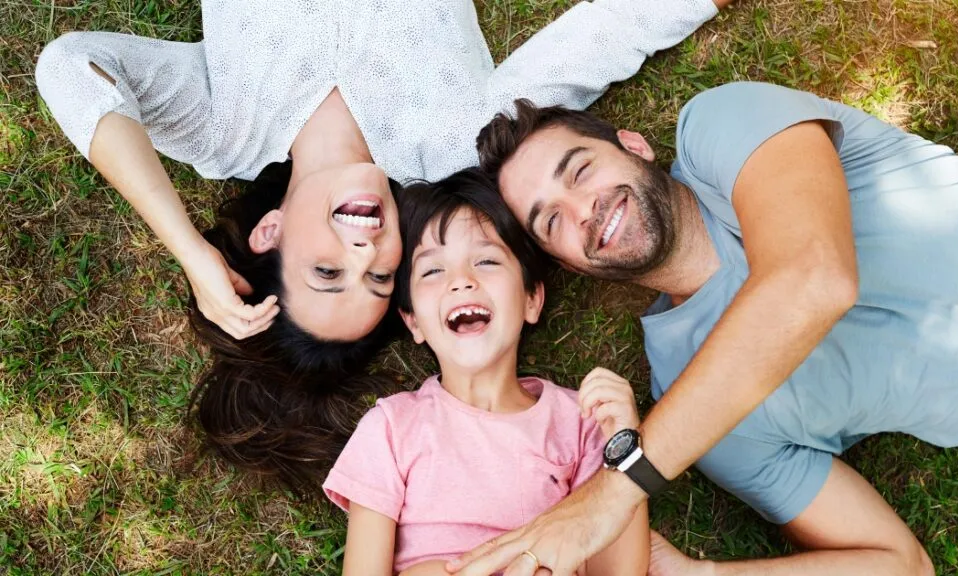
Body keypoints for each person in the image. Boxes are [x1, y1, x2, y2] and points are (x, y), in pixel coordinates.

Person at [34, 0, 728, 487]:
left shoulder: (221, 129)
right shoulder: (453, 142)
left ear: (271, 231)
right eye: (376, 279)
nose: (366, 252)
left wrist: (191, 250)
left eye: (327, 271)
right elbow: (608, 33)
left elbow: (72, 65)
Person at [450, 82, 958, 575]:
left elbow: (816, 278)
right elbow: (897, 564)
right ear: (572, 266)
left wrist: (614, 491)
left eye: (580, 170)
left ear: (634, 145)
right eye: (552, 221)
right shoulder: (698, 418)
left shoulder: (720, 128)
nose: (583, 210)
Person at [322, 169, 650, 575]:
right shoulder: (391, 427)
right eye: (433, 270)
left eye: (487, 260)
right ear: (414, 322)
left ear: (531, 299)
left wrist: (625, 446)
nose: (461, 281)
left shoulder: (583, 421)